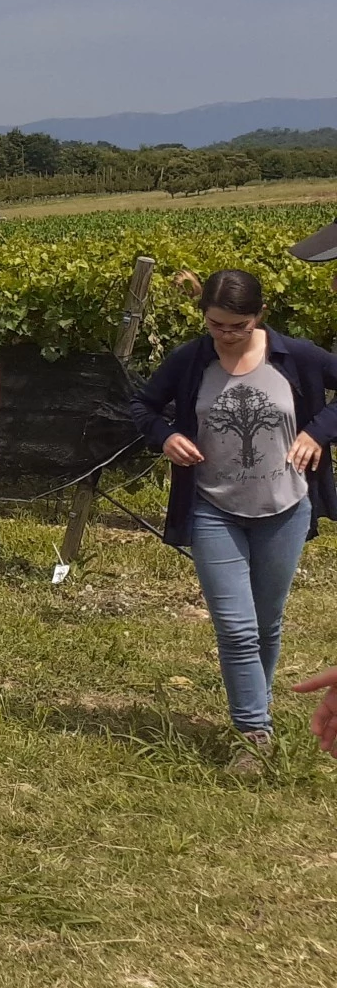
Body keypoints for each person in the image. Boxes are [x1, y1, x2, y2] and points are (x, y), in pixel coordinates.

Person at [129, 269, 337, 760]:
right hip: (212, 510)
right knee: (237, 628)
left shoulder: (295, 357)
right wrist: (166, 437)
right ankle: (254, 733)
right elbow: (142, 406)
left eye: (237, 326)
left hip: (284, 509)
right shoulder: (190, 360)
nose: (225, 335)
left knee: (267, 624)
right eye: (216, 324)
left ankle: (256, 714)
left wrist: (318, 431)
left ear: (259, 317)